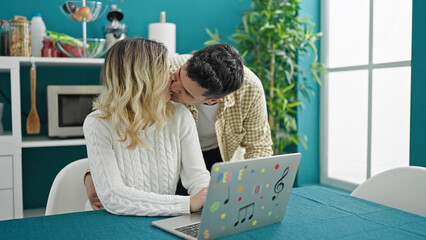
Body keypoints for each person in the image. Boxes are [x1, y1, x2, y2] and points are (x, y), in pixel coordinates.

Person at [85, 43, 273, 210]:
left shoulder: (248, 90)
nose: (173, 86)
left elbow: (258, 149)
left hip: (220, 157)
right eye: (175, 76)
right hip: (135, 203)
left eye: (186, 92)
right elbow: (129, 79)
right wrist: (94, 173)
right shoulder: (169, 67)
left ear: (212, 100)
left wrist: (244, 197)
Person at [83, 38, 210, 216]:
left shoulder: (180, 115)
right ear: (145, 79)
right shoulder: (98, 123)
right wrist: (187, 203)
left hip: (160, 218)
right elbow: (113, 197)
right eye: (166, 69)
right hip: (110, 221)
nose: (172, 74)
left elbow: (197, 176)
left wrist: (208, 195)